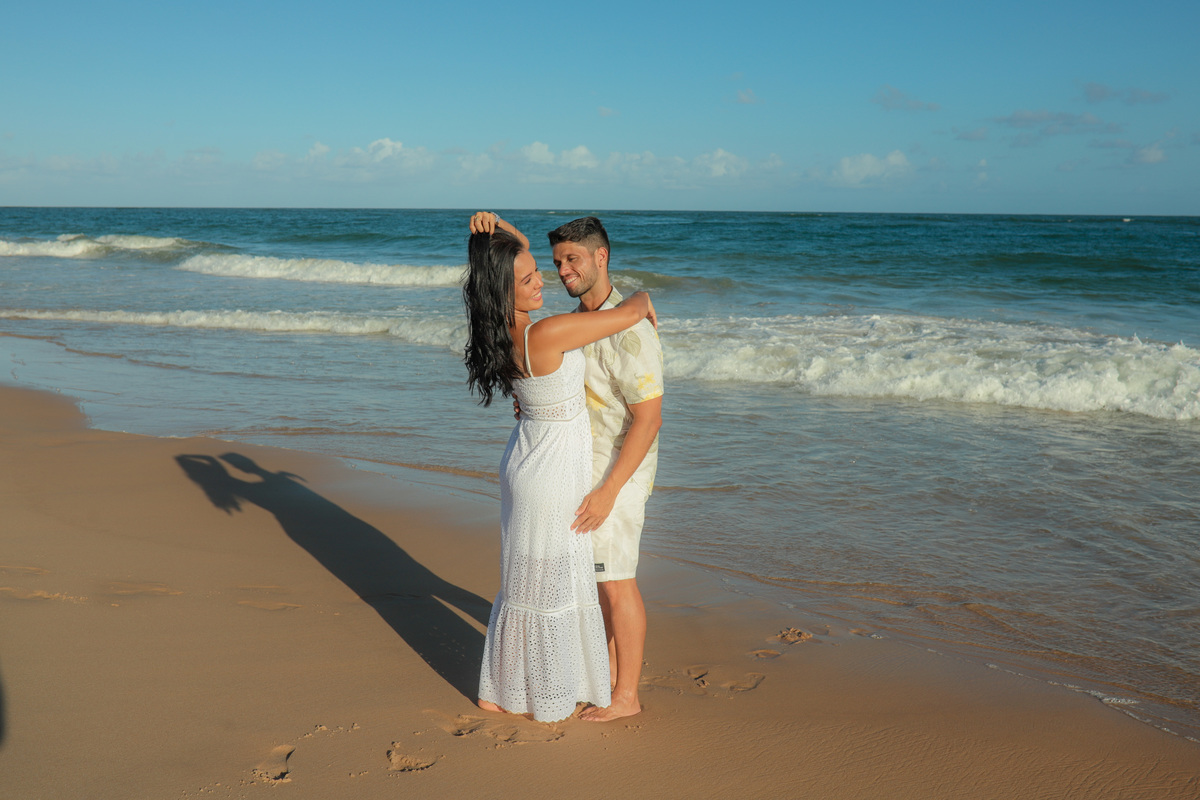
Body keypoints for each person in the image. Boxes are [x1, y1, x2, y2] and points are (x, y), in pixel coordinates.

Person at [463, 211, 657, 723]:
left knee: (523, 585)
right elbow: (626, 315)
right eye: (530, 277)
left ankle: (499, 690)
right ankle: (548, 695)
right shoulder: (547, 333)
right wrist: (641, 299)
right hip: (550, 475)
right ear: (506, 290)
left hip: (526, 460)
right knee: (551, 588)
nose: (544, 278)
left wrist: (503, 232)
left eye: (543, 269)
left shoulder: (504, 330)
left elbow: (509, 267)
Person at [548, 216, 664, 722]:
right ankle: (609, 684)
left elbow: (649, 417)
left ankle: (627, 698)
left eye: (573, 259)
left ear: (601, 257)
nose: (563, 270)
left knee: (617, 582)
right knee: (599, 582)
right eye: (557, 263)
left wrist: (610, 491)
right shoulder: (583, 322)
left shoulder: (632, 330)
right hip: (584, 469)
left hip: (619, 475)